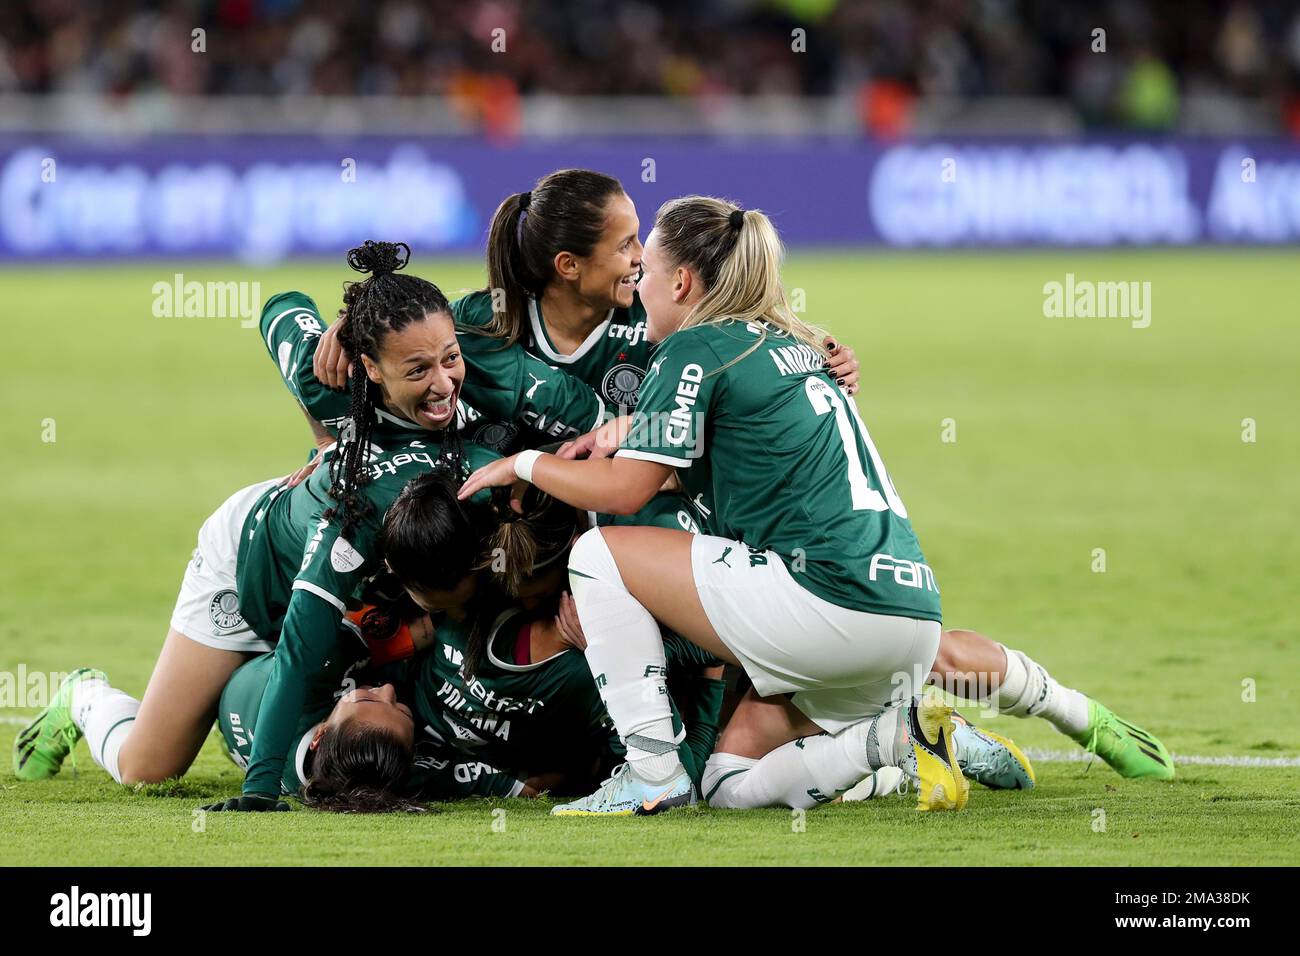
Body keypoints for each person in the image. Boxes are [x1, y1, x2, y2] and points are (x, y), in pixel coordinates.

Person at [459, 196, 968, 815]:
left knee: (598, 556)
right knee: (728, 785)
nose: (637, 281)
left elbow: (628, 490)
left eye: (644, 267)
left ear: (681, 280)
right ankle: (895, 741)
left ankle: (651, 773)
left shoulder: (694, 348)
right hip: (909, 623)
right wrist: (613, 436)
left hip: (827, 608)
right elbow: (691, 471)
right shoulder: (792, 343)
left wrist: (525, 464)